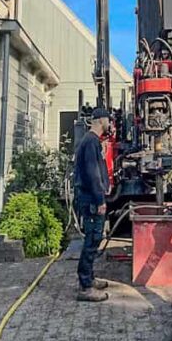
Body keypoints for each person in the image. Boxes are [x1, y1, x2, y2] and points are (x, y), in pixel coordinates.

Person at [72, 107, 112, 302]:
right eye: (108, 120)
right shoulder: (90, 142)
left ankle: (90, 278)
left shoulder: (93, 141)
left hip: (92, 196)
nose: (110, 123)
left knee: (95, 239)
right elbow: (92, 173)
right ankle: (85, 286)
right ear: (101, 120)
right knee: (92, 239)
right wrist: (99, 199)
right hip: (90, 199)